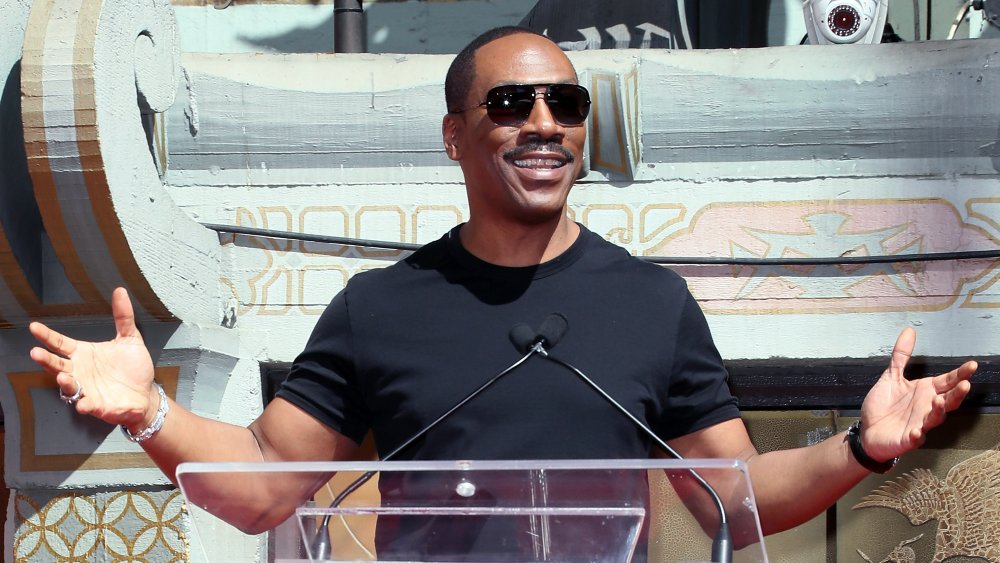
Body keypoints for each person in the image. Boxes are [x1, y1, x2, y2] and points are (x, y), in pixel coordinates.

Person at [29, 25, 976, 558]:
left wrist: (857, 446)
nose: (543, 124)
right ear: (454, 136)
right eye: (510, 103)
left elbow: (733, 500)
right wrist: (150, 411)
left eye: (566, 104)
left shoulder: (651, 303)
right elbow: (267, 487)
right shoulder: (379, 306)